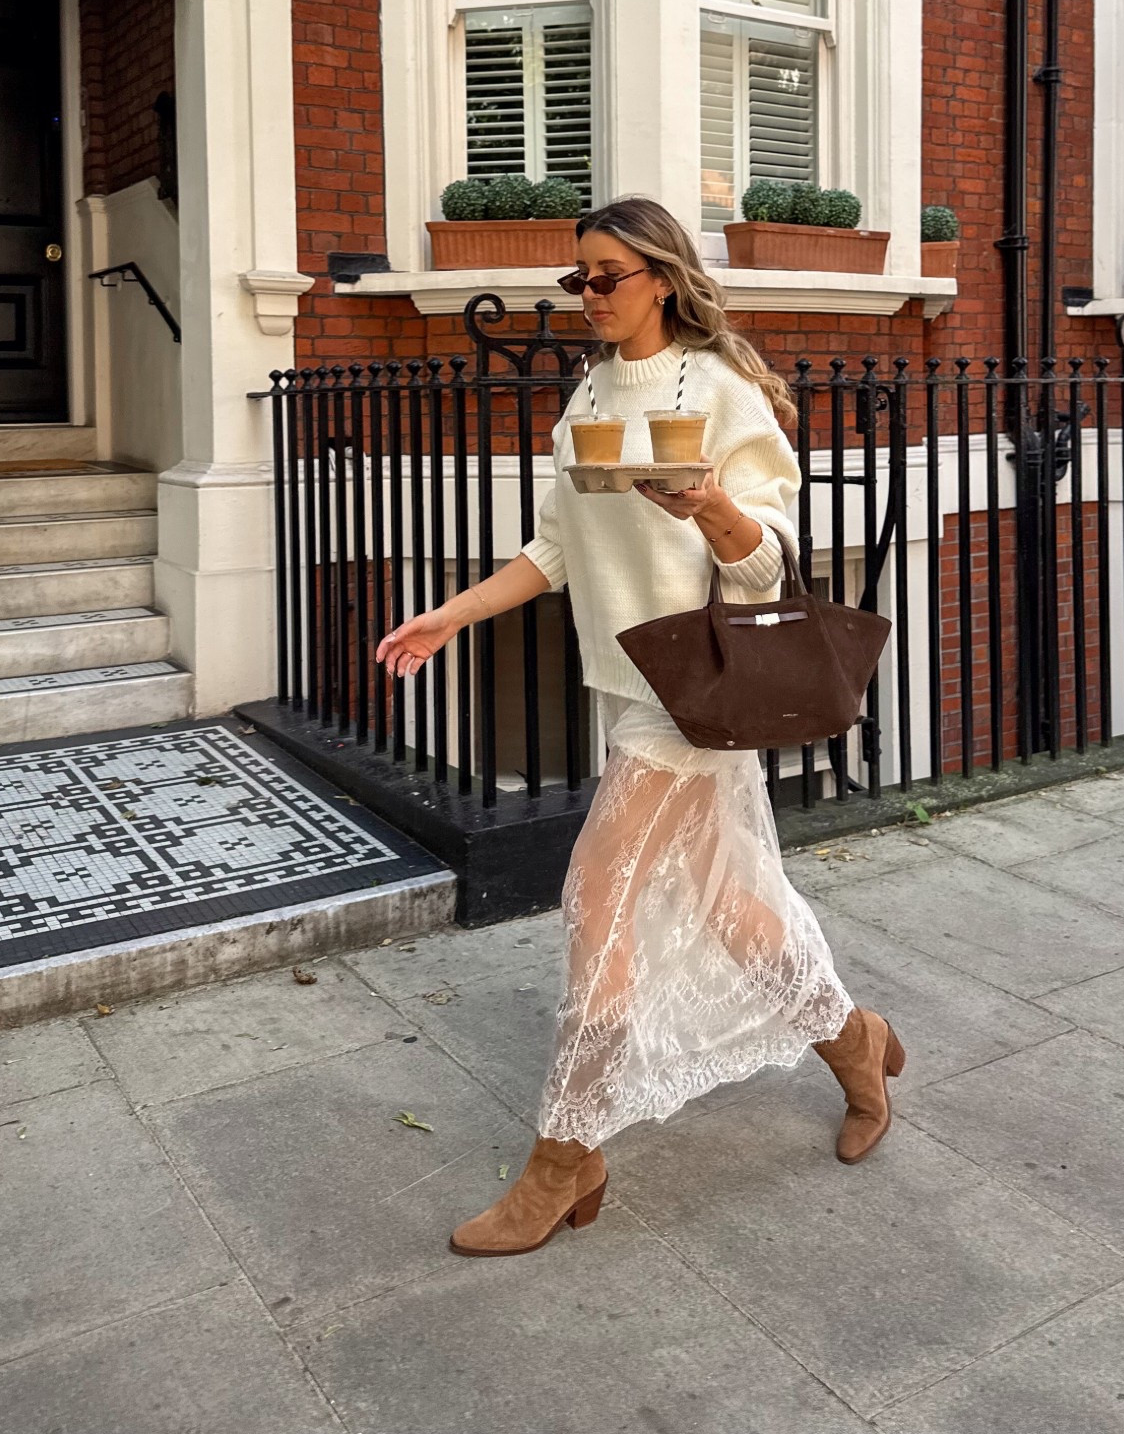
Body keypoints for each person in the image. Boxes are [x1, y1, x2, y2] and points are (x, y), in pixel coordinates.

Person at [377, 195, 904, 1257]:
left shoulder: (716, 390)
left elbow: (766, 560)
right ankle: (856, 1041)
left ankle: (565, 1155)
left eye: (606, 274)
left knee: (597, 902)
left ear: (661, 276)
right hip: (631, 683)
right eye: (578, 278)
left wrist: (708, 504)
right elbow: (555, 551)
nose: (589, 294)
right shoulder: (583, 400)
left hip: (696, 693)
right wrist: (451, 613)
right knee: (739, 912)